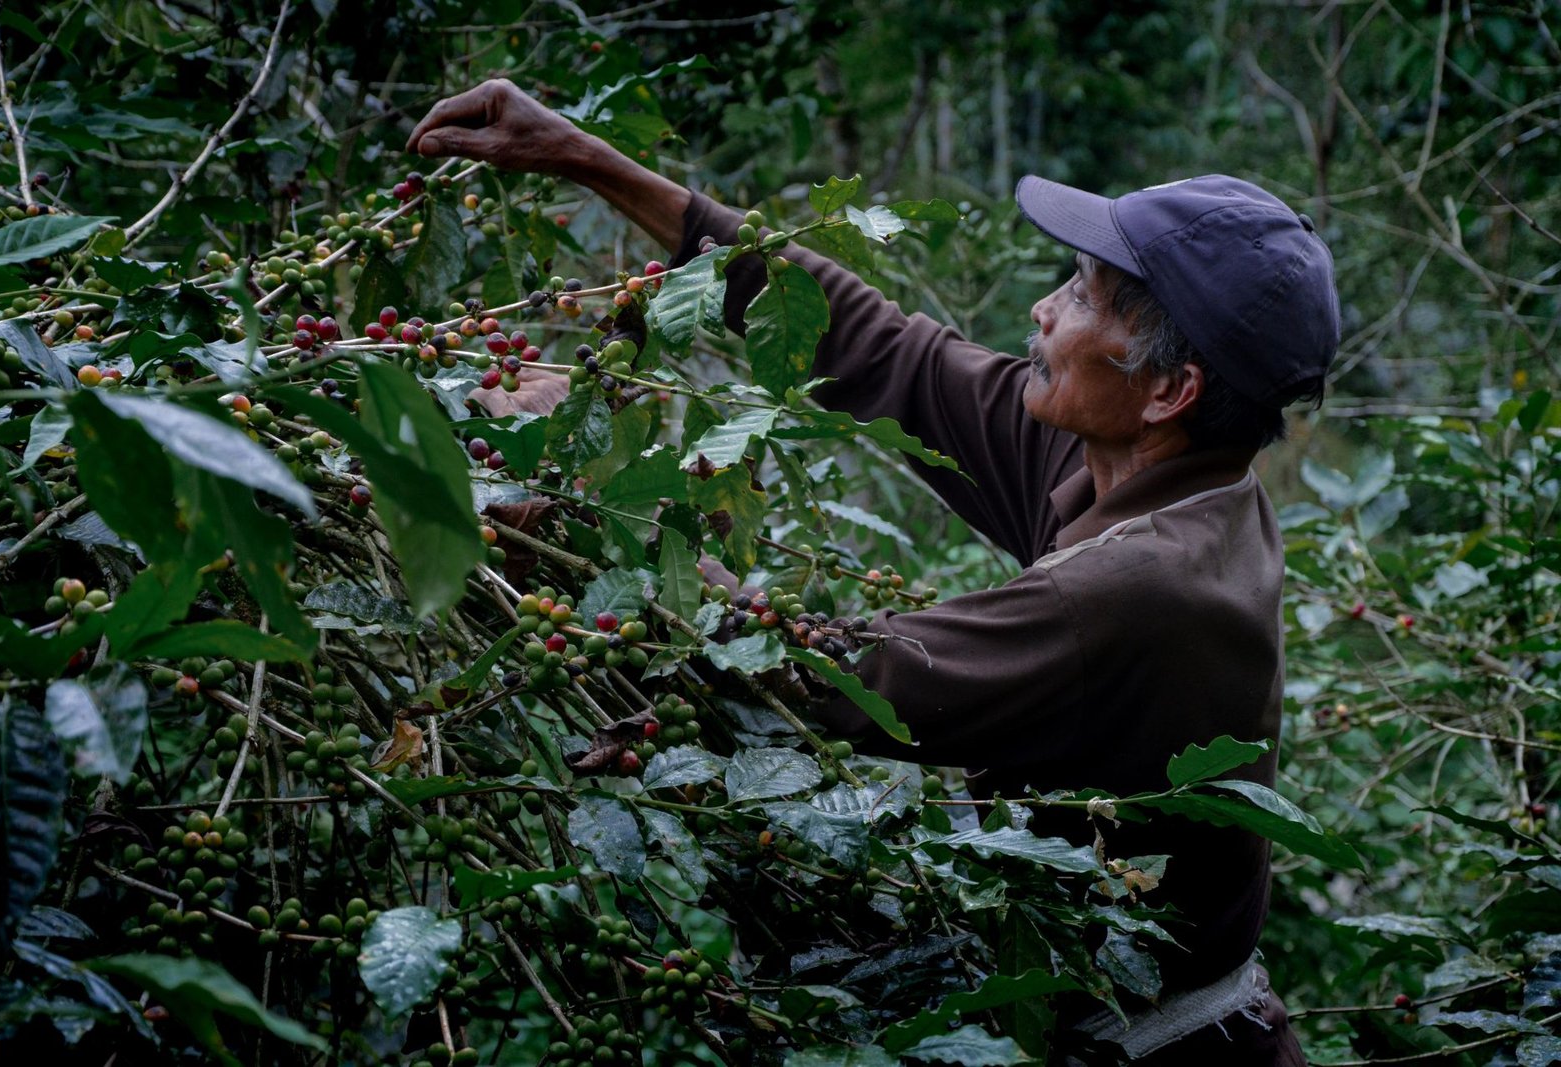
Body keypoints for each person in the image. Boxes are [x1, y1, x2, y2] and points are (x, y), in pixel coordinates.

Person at [410, 80, 1338, 1067]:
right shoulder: (1162, 471)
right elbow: (881, 347)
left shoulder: (1139, 588)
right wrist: (582, 156)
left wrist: (571, 495)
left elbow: (836, 674)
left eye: (1077, 294)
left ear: (1167, 388)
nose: (1042, 308)